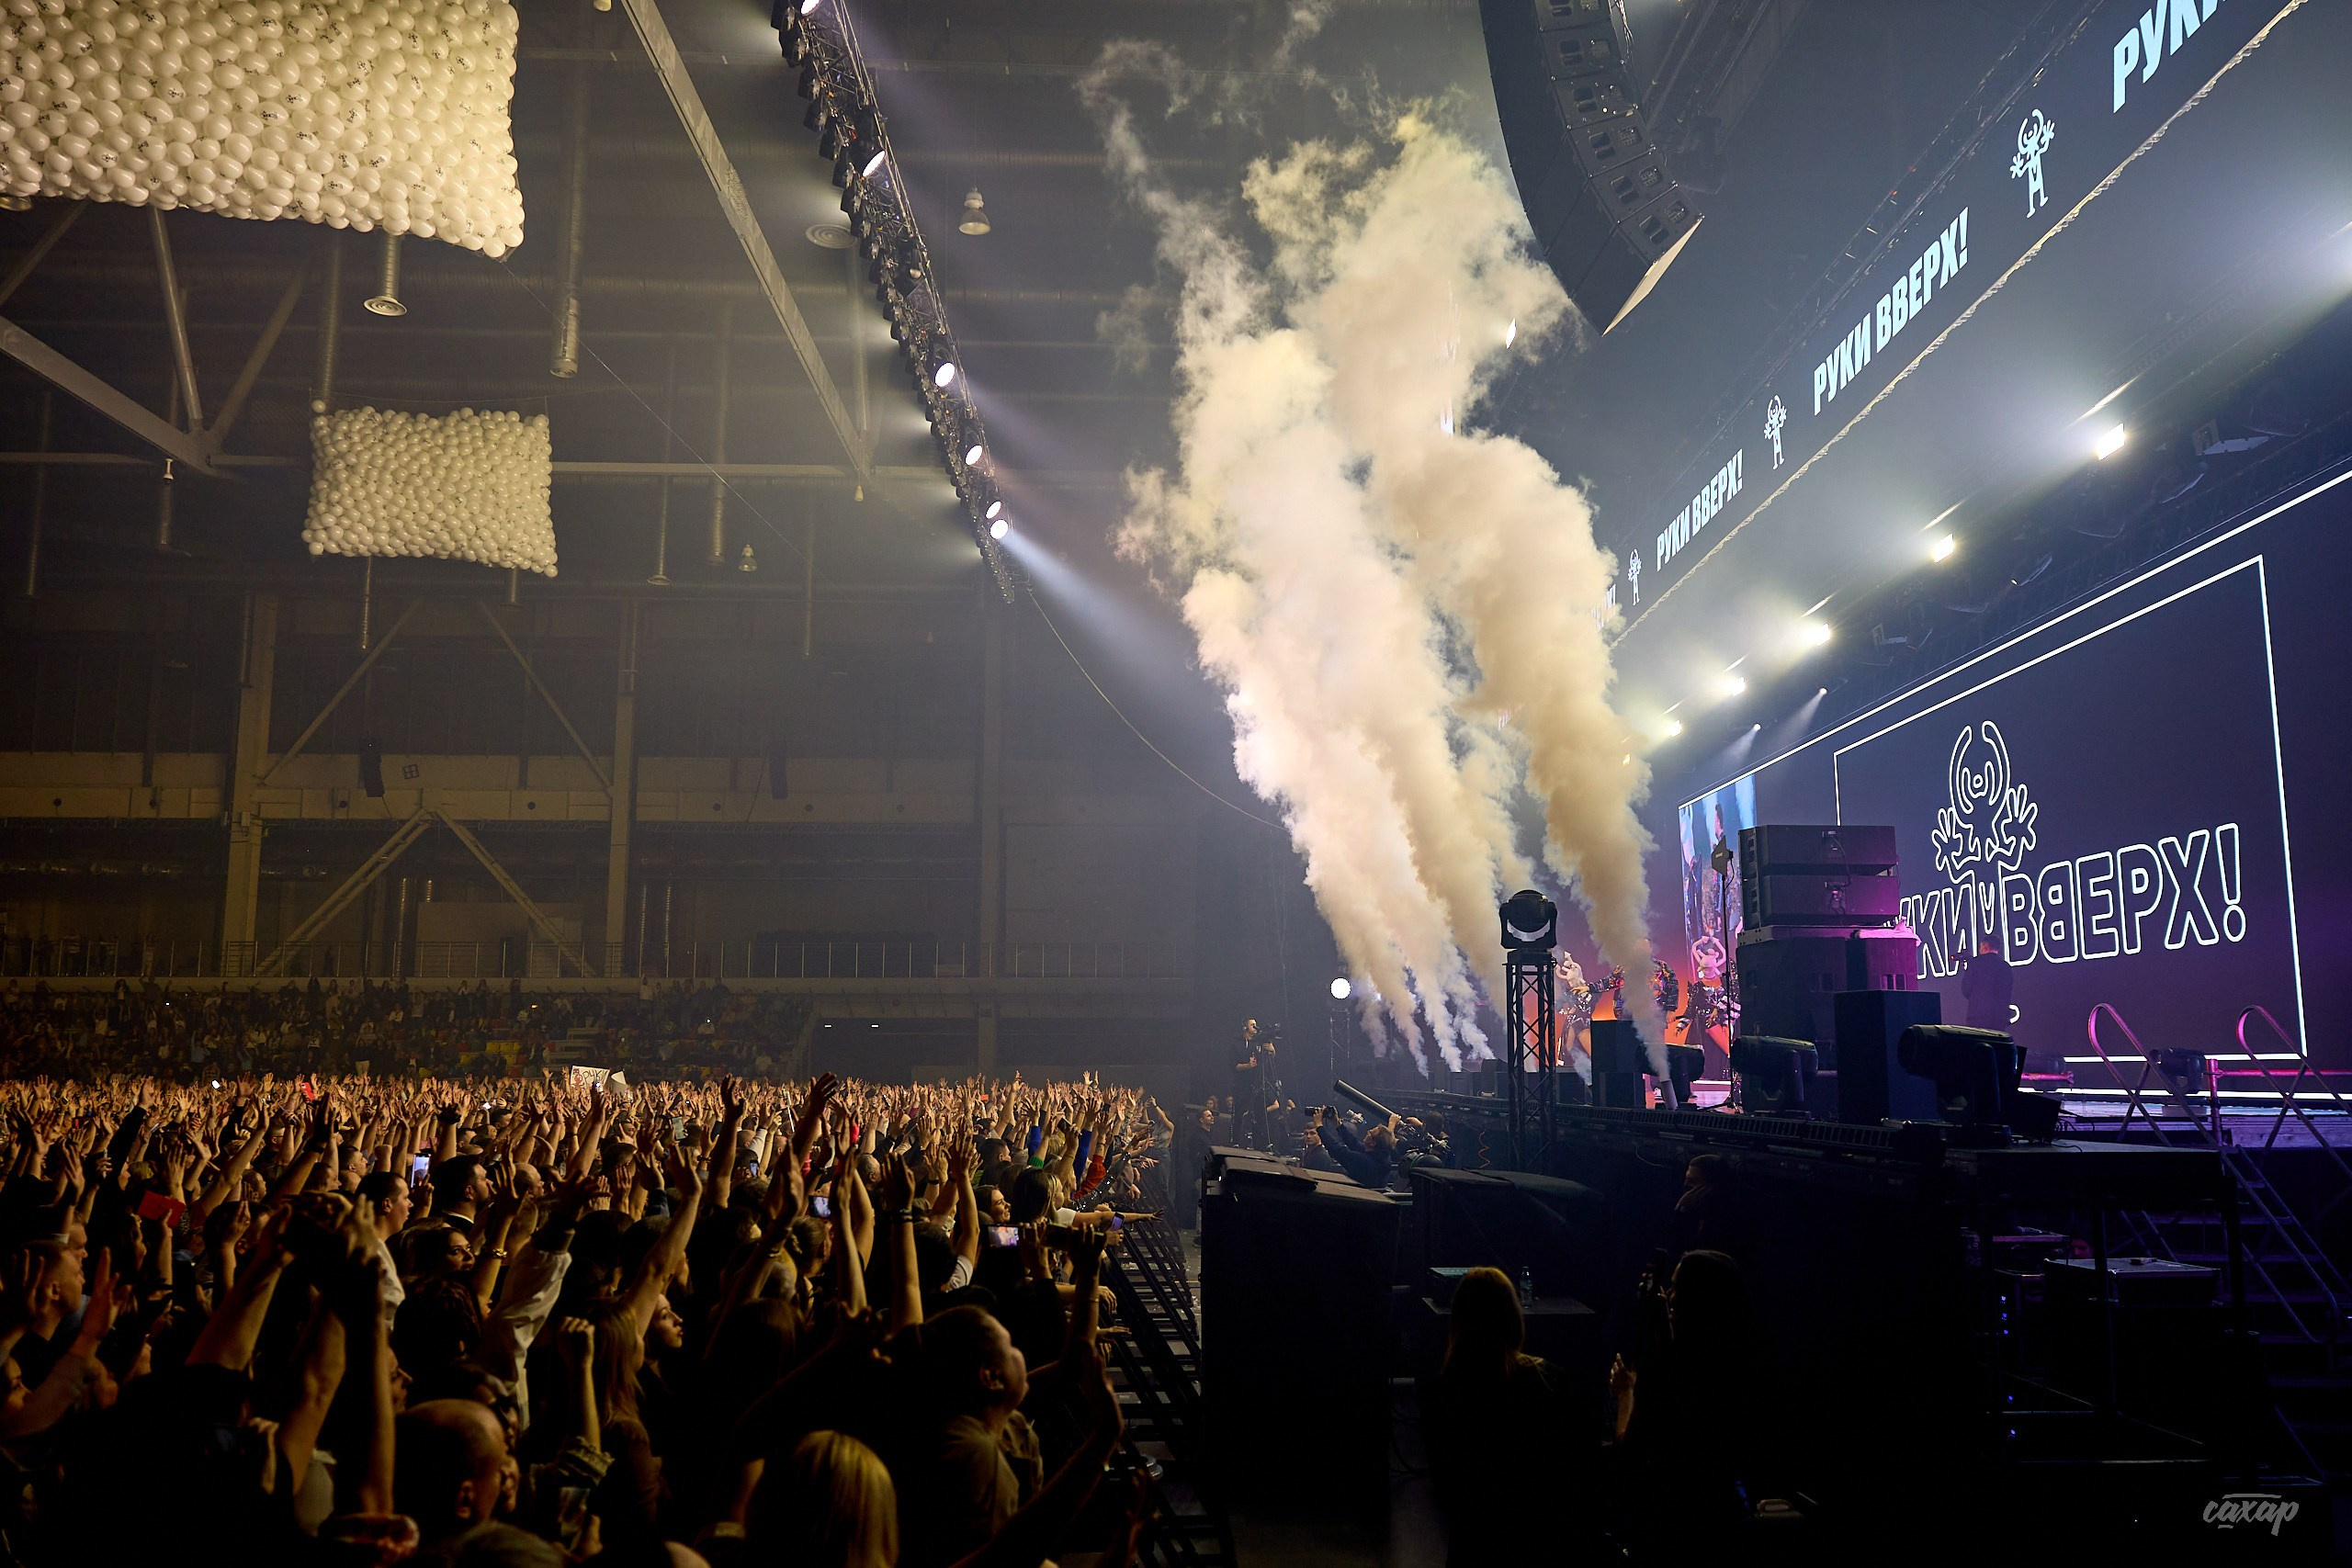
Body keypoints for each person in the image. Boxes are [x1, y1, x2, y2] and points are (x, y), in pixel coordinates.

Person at [1421, 1268, 1590, 1564]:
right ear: (1512, 1316)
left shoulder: (1446, 1390)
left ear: (1458, 1320)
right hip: (1539, 1542)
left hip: (1474, 1543)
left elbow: (1444, 1481)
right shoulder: (1548, 1378)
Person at [1962, 938, 2015, 1033]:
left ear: (1985, 947)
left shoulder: (1974, 963)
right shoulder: (2005, 966)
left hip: (1977, 1015)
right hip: (2000, 1016)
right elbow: (2007, 991)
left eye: (1980, 948)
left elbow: (1966, 989)